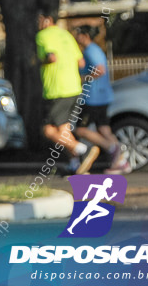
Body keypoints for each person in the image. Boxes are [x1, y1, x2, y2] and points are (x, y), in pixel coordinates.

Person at [36, 12, 100, 175]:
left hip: (57, 89)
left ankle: (82, 149)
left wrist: (39, 62)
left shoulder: (43, 36)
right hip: (74, 88)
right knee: (64, 128)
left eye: (37, 20)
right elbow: (81, 62)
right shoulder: (66, 35)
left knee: (48, 130)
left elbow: (51, 57)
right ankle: (75, 163)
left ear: (46, 19)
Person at [73, 26, 130, 174]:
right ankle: (121, 162)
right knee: (103, 128)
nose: (75, 37)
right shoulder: (91, 50)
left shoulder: (92, 50)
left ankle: (110, 148)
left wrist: (83, 78)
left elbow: (100, 70)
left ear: (85, 35)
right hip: (102, 96)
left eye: (77, 34)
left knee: (81, 129)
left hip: (94, 97)